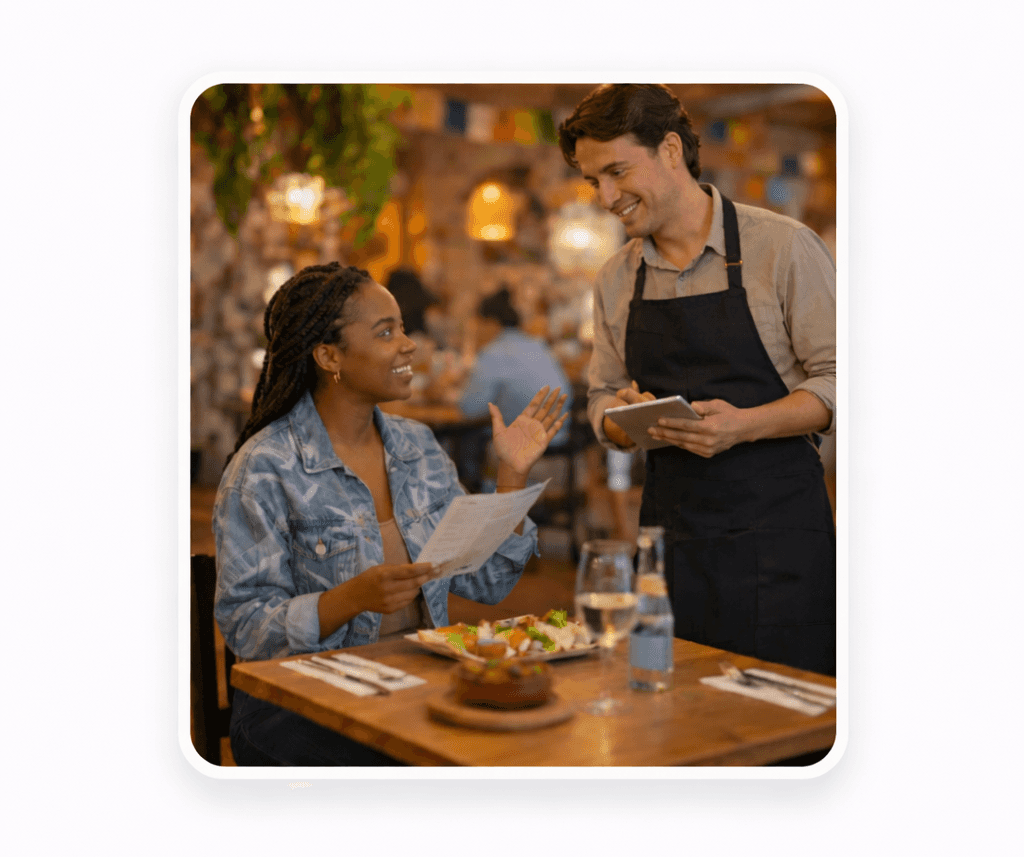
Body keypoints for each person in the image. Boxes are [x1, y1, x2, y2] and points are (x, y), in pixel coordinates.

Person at [213, 263, 567, 765]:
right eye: (386, 332)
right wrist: (348, 599)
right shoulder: (266, 468)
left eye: (402, 328)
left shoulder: (417, 447)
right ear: (329, 355)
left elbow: (486, 583)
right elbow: (246, 627)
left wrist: (510, 474)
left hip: (418, 684)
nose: (408, 344)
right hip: (301, 704)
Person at [559, 84, 836, 677]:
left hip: (778, 537)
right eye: (593, 182)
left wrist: (745, 426)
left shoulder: (783, 248)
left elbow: (843, 380)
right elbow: (601, 394)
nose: (606, 197)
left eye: (615, 172)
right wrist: (621, 420)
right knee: (671, 708)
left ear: (669, 150)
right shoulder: (616, 277)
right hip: (670, 539)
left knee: (783, 719)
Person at [451, 287, 572, 490]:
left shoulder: (494, 352)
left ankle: (472, 506)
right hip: (561, 443)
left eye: (478, 324)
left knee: (464, 443)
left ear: (490, 323)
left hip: (525, 450)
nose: (476, 330)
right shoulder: (538, 345)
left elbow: (469, 408)